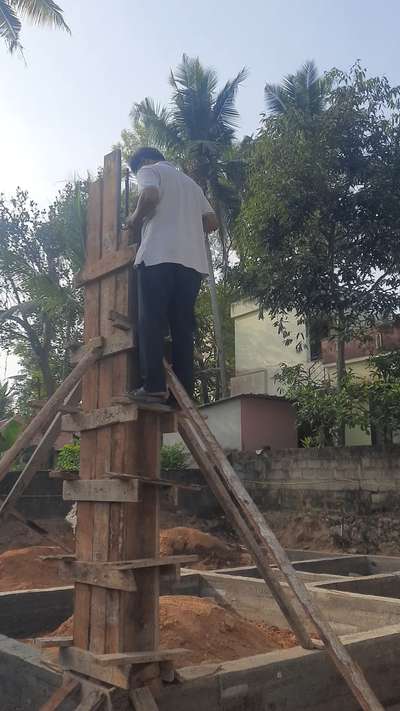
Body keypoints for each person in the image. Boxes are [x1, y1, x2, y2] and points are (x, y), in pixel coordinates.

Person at [127, 147, 218, 403]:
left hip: (158, 256)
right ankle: (183, 395)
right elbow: (211, 222)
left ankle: (154, 385)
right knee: (182, 329)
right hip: (191, 265)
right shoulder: (191, 185)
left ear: (143, 162)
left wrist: (135, 219)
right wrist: (184, 225)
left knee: (152, 321)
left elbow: (150, 195)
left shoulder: (149, 171)